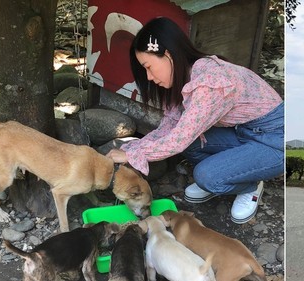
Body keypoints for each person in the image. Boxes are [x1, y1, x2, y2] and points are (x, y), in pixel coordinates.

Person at [106, 17, 283, 224]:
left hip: (275, 140)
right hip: (244, 132)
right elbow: (171, 128)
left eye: (149, 67)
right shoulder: (188, 75)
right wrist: (133, 149)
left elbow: (178, 139)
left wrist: (131, 153)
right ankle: (232, 171)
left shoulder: (209, 83)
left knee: (206, 176)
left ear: (168, 55)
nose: (150, 77)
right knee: (192, 145)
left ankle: (250, 186)